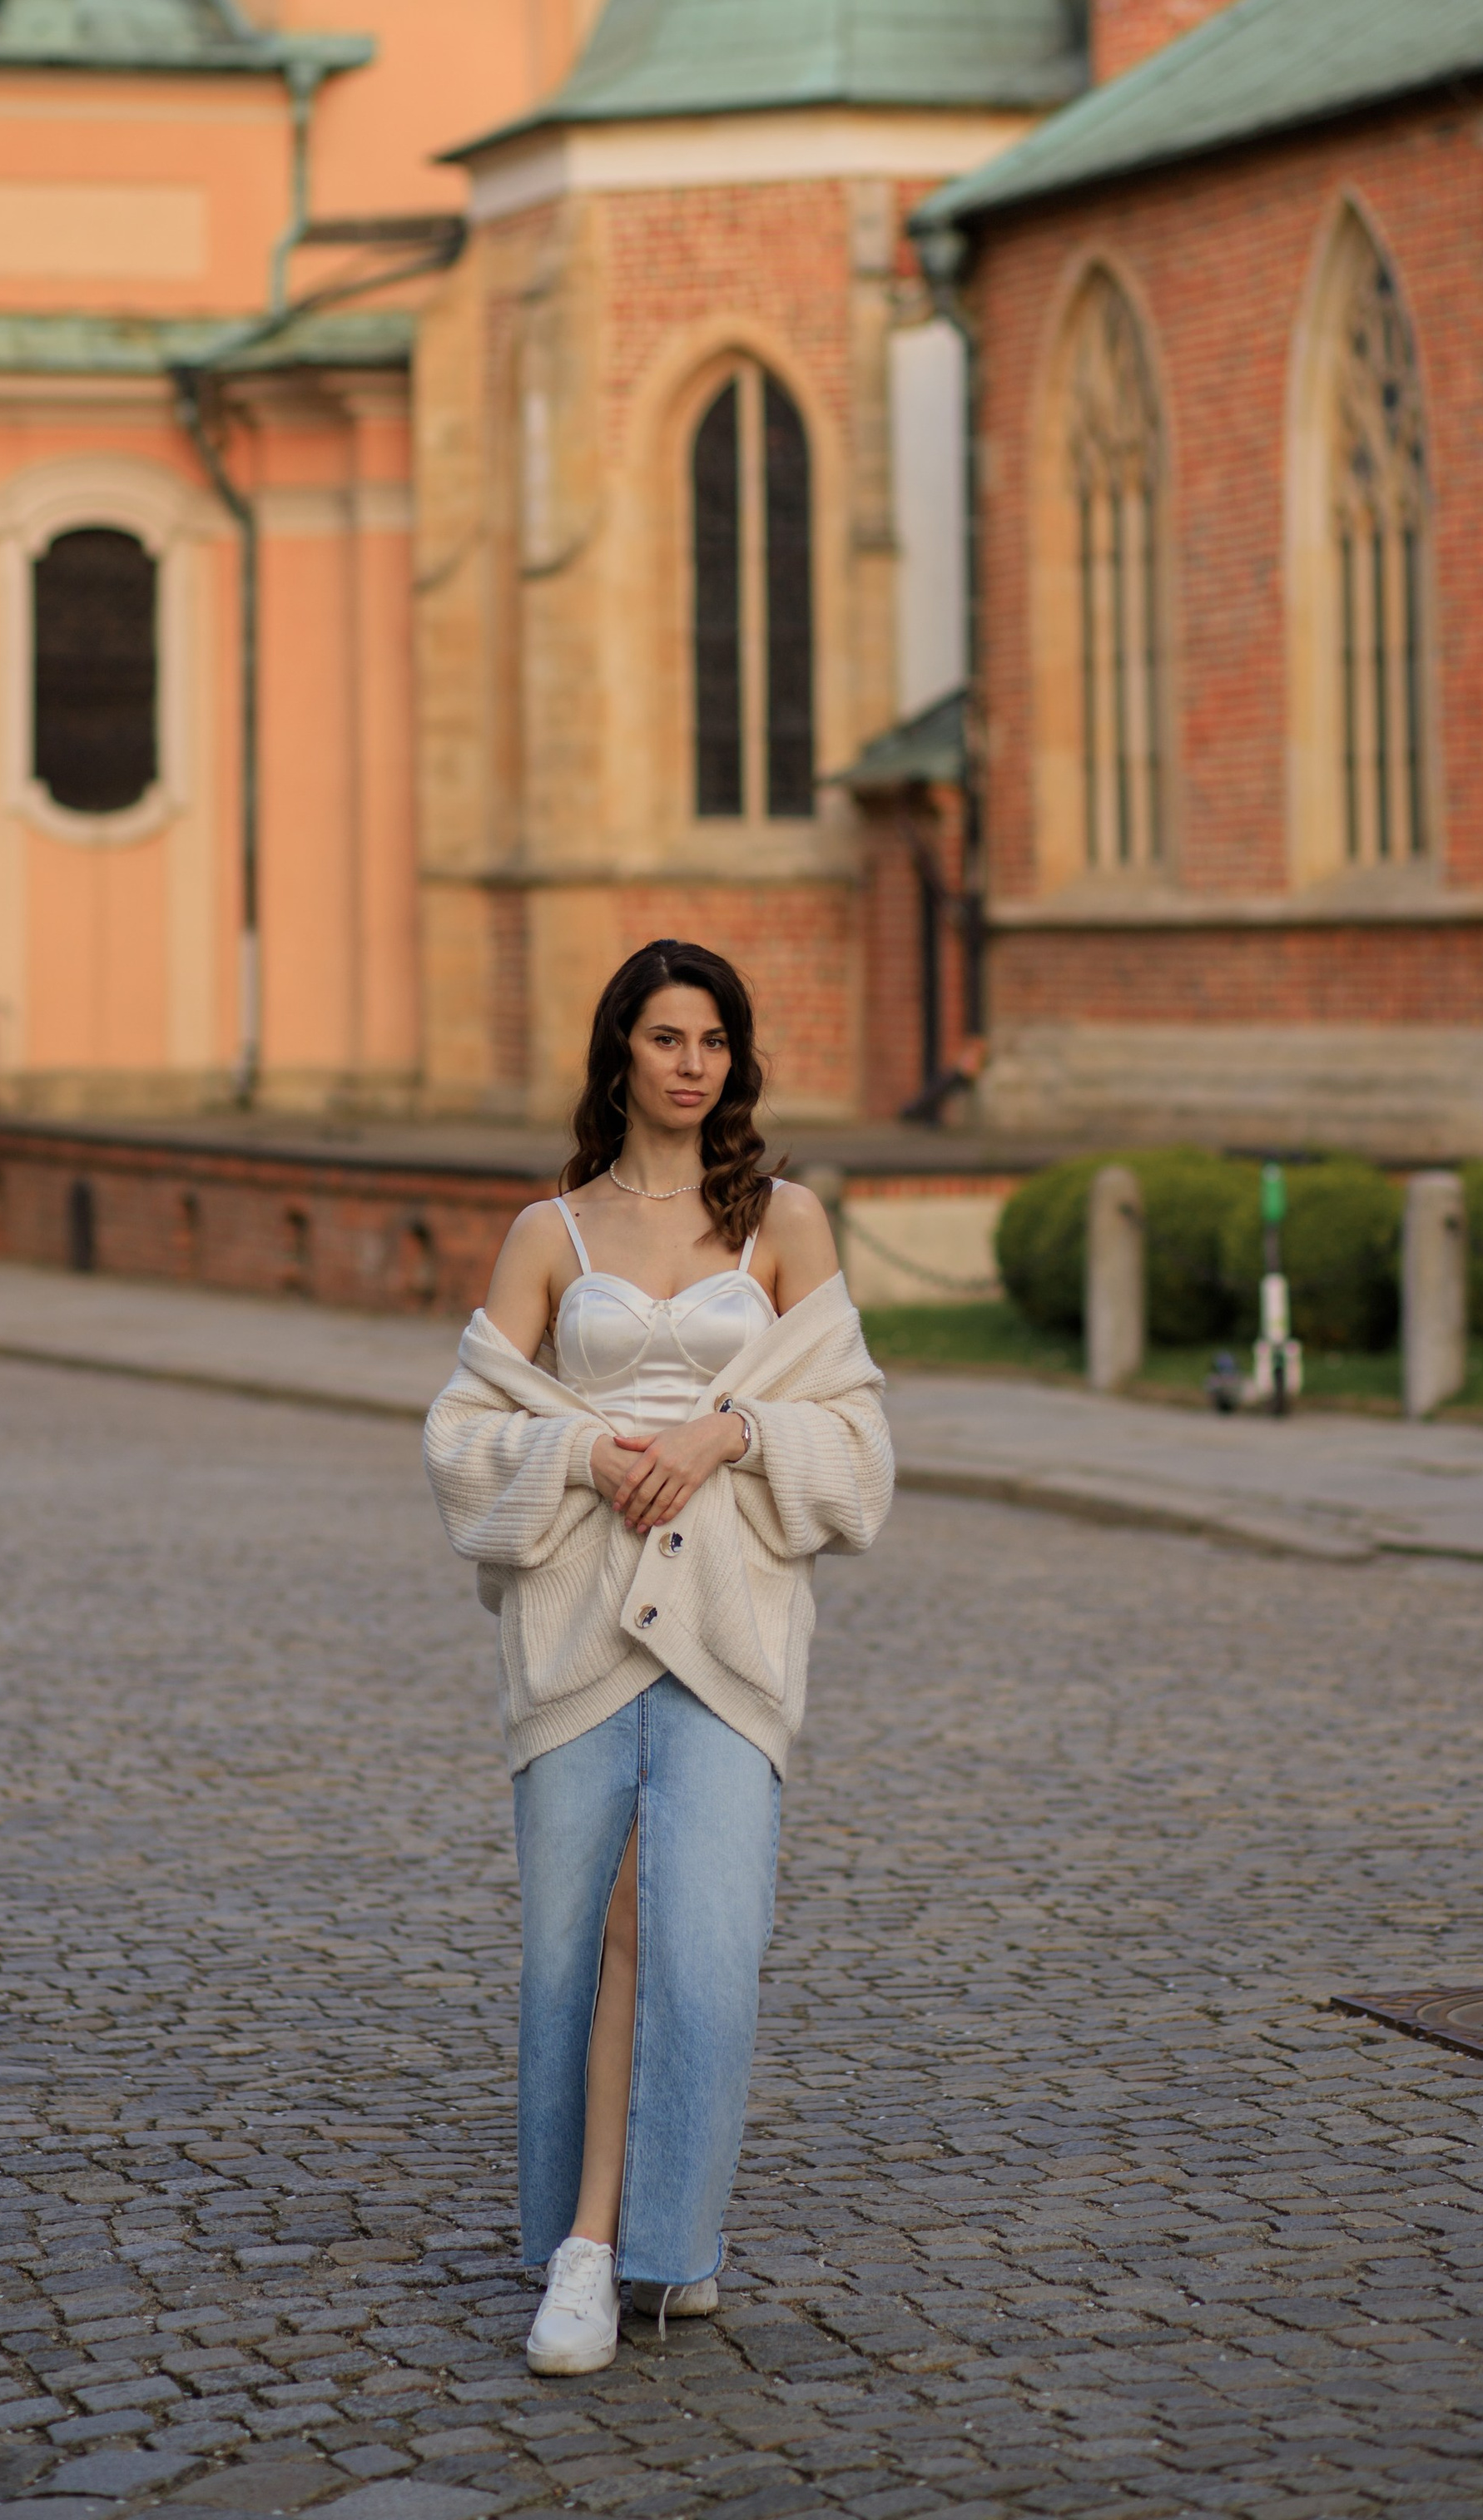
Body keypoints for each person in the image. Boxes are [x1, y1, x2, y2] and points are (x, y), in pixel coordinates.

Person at [423, 938, 893, 2375]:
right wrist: (585, 1453)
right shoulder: (548, 1236)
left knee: (705, 1943)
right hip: (579, 1629)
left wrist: (726, 1433)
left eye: (714, 1042)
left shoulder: (785, 1224)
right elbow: (461, 1436)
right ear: (620, 1052)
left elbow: (859, 1445)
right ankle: (584, 2249)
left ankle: (664, 2243)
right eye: (666, 1038)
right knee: (583, 1940)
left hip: (732, 1626)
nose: (692, 1065)